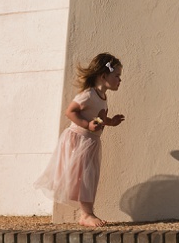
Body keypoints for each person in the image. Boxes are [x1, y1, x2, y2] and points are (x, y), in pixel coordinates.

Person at [36, 52, 126, 227]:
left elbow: (98, 118)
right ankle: (87, 214)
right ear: (103, 75)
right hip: (79, 141)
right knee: (85, 177)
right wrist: (86, 125)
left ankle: (87, 214)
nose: (119, 80)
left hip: (91, 142)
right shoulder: (88, 95)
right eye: (117, 76)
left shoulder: (102, 97)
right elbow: (70, 112)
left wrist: (110, 121)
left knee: (90, 178)